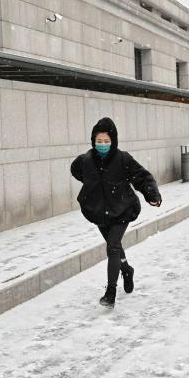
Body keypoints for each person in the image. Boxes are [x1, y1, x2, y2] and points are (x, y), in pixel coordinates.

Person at [70, 117, 161, 308]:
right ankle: (127, 269)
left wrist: (151, 193)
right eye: (99, 141)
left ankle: (110, 292)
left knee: (112, 246)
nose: (102, 145)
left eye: (106, 141)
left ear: (113, 141)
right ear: (93, 141)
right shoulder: (85, 161)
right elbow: (76, 171)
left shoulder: (123, 159)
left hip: (122, 210)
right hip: (99, 211)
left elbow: (142, 177)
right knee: (116, 246)